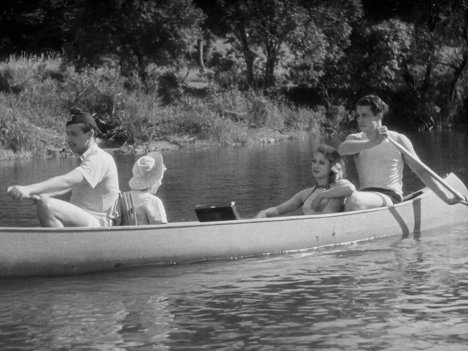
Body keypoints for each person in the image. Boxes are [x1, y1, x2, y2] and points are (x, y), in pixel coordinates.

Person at [338, 94, 458, 211]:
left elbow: (421, 171)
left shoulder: (398, 139)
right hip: (365, 195)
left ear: (378, 115)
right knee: (337, 199)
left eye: (364, 115)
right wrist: (374, 142)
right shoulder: (355, 138)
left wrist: (447, 199)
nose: (360, 120)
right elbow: (342, 149)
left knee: (353, 200)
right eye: (358, 116)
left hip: (390, 196)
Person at [7, 108, 120, 227]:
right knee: (44, 201)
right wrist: (39, 194)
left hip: (100, 225)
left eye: (74, 134)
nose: (69, 139)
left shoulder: (99, 158)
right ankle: (62, 242)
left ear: (90, 134)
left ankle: (60, 244)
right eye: (68, 134)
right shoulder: (86, 158)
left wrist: (28, 189)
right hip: (87, 221)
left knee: (48, 207)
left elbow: (67, 181)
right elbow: (65, 188)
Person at [255, 145, 355, 218]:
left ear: (332, 167)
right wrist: (263, 213)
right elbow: (277, 210)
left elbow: (350, 188)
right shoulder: (306, 193)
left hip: (326, 231)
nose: (315, 166)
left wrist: (321, 196)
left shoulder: (339, 185)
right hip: (306, 231)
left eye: (321, 163)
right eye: (314, 161)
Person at [124, 151, 167, 224]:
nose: (161, 182)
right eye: (160, 179)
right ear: (154, 181)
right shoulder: (153, 201)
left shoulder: (123, 198)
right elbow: (161, 229)